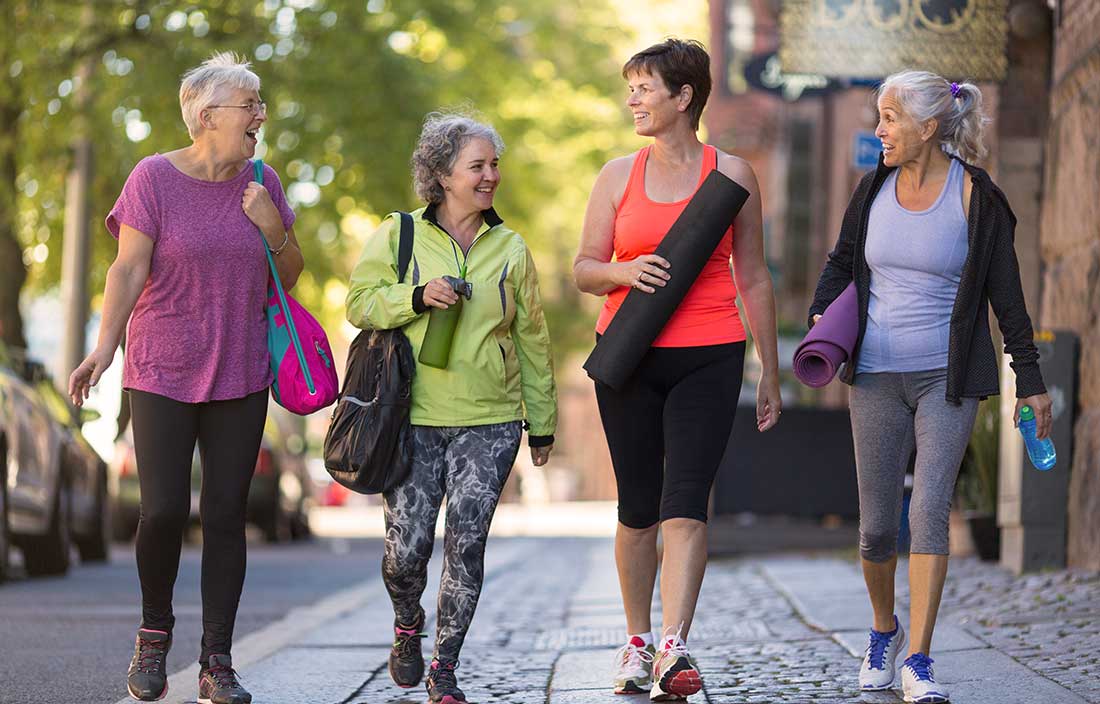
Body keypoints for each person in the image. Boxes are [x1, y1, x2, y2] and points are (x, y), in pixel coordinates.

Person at [808, 70, 1052, 704]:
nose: (879, 129)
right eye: (878, 117)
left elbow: (1007, 295)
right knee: (876, 527)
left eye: (889, 119)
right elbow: (841, 261)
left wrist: (1031, 380)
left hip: (947, 378)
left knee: (929, 511)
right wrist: (822, 312)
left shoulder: (977, 196)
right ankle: (883, 632)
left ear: (928, 127)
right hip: (875, 377)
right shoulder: (873, 189)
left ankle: (918, 657)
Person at [68, 52, 302, 704]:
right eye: (248, 105)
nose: (260, 115)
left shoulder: (263, 181)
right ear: (206, 117)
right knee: (163, 510)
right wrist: (103, 347)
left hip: (241, 369)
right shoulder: (153, 179)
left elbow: (287, 277)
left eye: (260, 104)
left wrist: (272, 227)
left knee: (226, 516)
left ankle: (216, 662)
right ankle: (154, 634)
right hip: (161, 368)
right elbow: (127, 270)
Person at [573, 39, 781, 701]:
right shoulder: (616, 176)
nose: (632, 98)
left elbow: (753, 277)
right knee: (637, 511)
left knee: (686, 504)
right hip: (630, 356)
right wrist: (624, 271)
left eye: (644, 87)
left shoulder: (734, 175)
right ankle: (636, 641)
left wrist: (770, 372)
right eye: (630, 87)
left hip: (713, 354)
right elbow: (582, 269)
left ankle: (674, 646)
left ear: (684, 96)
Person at [345, 112, 557, 704]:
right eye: (478, 166)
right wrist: (416, 295)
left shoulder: (511, 248)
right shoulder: (400, 235)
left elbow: (534, 340)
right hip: (412, 416)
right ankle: (407, 621)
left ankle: (445, 668)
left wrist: (541, 423)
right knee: (406, 550)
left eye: (495, 165)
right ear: (441, 174)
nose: (491, 176)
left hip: (490, 419)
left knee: (467, 543)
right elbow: (358, 303)